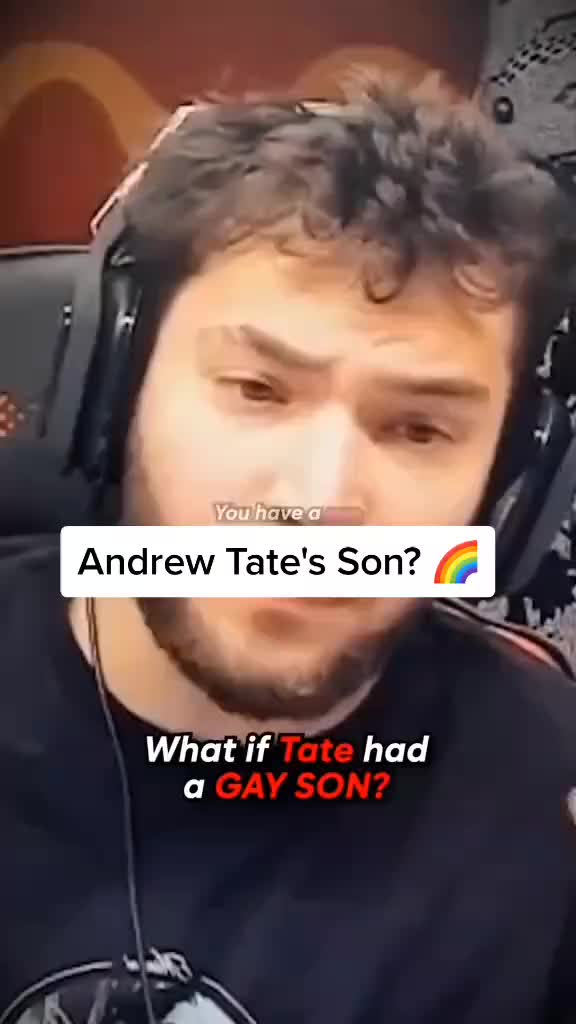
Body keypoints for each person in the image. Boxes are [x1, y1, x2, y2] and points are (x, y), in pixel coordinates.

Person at [1, 74, 576, 1024]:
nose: (315, 507)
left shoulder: (543, 786)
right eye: (258, 391)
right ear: (114, 390)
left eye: (419, 429)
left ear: (509, 486)